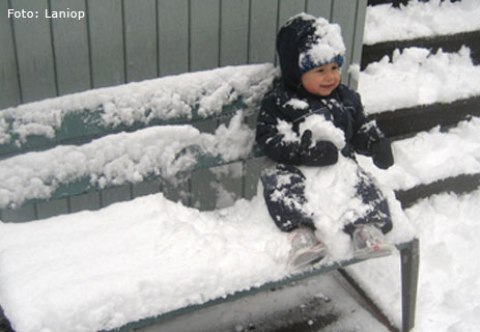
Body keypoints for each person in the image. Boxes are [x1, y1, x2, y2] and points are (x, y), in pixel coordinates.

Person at [256, 13, 395, 268]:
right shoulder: (280, 102)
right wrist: (303, 152)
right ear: (296, 72)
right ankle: (303, 236)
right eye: (320, 70)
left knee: (362, 184)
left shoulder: (346, 99)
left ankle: (365, 229)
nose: (330, 77)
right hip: (298, 169)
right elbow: (268, 137)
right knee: (280, 187)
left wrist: (375, 143)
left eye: (334, 68)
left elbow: (360, 126)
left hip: (339, 167)